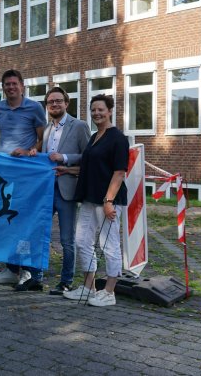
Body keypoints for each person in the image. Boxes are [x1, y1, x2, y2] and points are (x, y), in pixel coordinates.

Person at [62, 93, 128, 307]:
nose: (96, 113)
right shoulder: (94, 136)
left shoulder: (118, 138)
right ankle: (89, 287)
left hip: (107, 200)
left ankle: (109, 291)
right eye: (93, 110)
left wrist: (109, 200)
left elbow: (119, 173)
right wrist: (67, 169)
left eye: (101, 109)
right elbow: (89, 167)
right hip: (90, 198)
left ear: (110, 111)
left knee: (109, 245)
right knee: (82, 241)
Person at [0, 69, 47, 290]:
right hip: (4, 174)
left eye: (14, 84)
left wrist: (30, 150)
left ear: (22, 85)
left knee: (26, 220)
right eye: (7, 84)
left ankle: (29, 272)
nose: (11, 87)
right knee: (7, 220)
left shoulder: (35, 107)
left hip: (27, 175)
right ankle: (11, 269)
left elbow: (42, 140)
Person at [29, 87, 90, 294]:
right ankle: (35, 278)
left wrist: (64, 158)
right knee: (38, 234)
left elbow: (88, 156)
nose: (54, 105)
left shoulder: (79, 126)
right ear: (47, 106)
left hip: (67, 190)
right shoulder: (46, 129)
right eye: (50, 102)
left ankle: (66, 281)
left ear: (66, 103)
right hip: (46, 191)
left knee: (66, 240)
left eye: (58, 101)